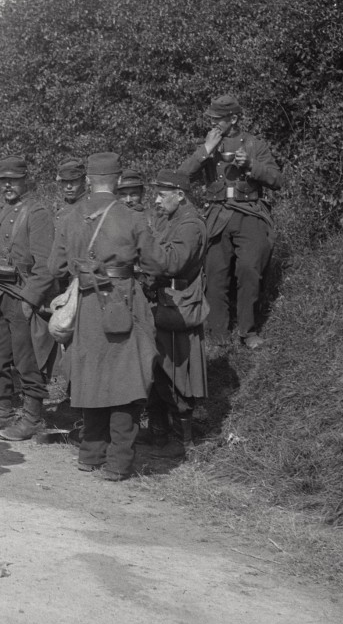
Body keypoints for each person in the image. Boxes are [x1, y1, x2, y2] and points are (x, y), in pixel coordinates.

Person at [48, 152, 163, 481]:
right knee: (127, 380)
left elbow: (53, 267)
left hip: (86, 303)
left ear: (87, 179)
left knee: (90, 375)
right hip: (123, 300)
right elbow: (156, 264)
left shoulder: (68, 216)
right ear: (118, 179)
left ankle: (90, 454)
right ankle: (117, 464)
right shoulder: (132, 216)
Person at [178, 94, 283, 350]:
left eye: (218, 120)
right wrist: (205, 151)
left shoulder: (255, 144)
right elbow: (180, 176)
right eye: (211, 119)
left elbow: (277, 180)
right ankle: (218, 336)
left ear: (233, 118)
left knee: (249, 270)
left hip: (250, 213)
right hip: (217, 216)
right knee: (215, 275)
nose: (213, 124)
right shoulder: (209, 144)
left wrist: (251, 165)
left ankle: (248, 331)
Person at [0, 155, 56, 441]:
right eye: (3, 181)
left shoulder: (37, 213)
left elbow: (46, 265)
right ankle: (2, 412)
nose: (7, 185)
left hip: (21, 295)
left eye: (12, 180)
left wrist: (30, 300)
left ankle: (32, 418)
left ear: (25, 180)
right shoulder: (3, 211)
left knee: (27, 360)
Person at [145, 170, 209, 458]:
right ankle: (160, 434)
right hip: (165, 303)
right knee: (158, 369)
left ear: (180, 195)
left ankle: (183, 442)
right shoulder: (173, 219)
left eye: (162, 194)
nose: (157, 200)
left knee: (177, 374)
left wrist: (143, 249)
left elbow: (172, 263)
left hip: (179, 307)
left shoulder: (190, 225)